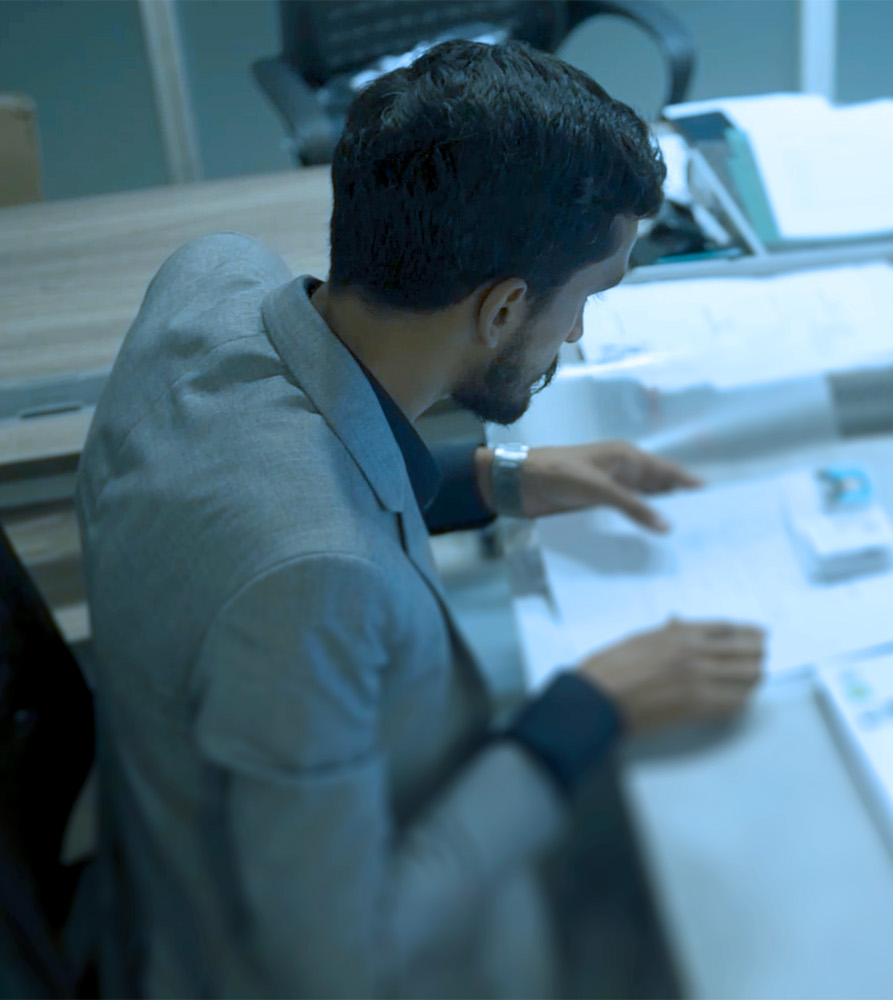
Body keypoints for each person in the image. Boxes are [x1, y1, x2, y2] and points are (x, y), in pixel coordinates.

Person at [75, 39, 764, 998]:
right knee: (722, 879)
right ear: (502, 309)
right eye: (583, 302)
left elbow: (285, 458)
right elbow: (341, 963)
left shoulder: (212, 279)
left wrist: (498, 478)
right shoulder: (313, 590)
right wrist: (586, 710)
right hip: (270, 951)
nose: (578, 335)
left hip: (183, 807)